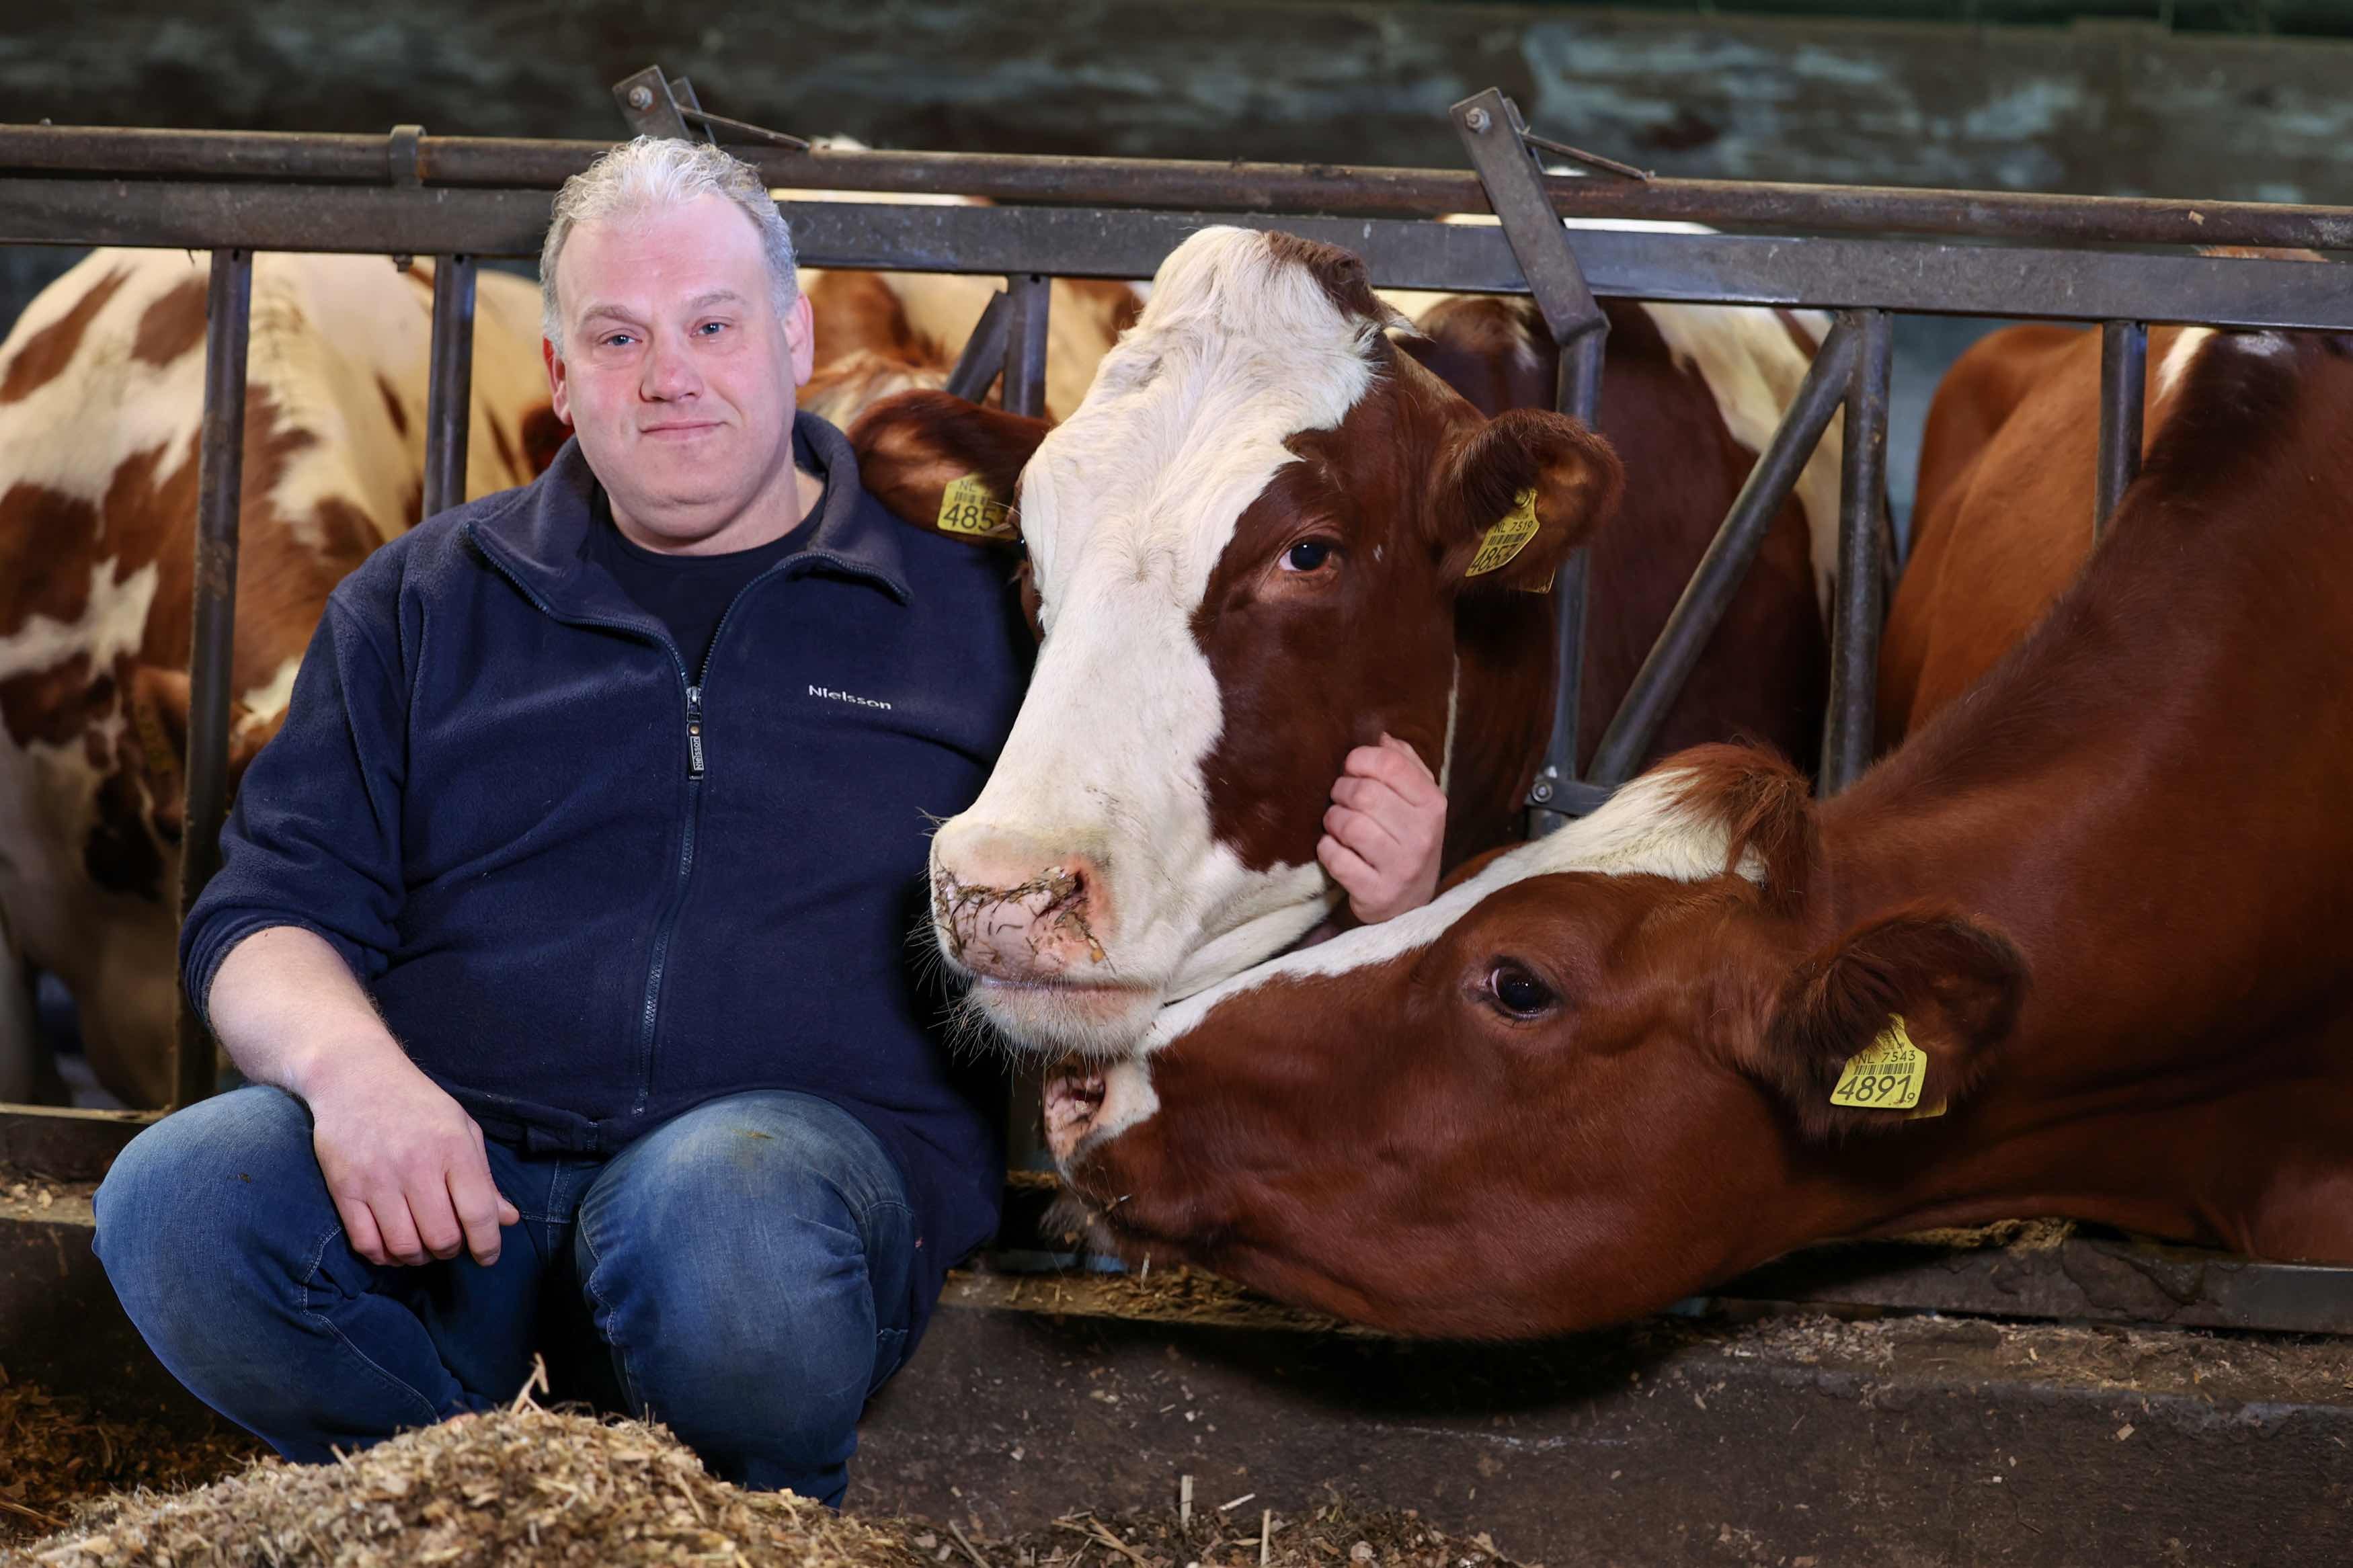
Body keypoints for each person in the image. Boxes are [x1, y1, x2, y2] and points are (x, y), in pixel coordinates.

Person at [90, 136, 1447, 1505]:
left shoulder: (973, 608)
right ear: (558, 377)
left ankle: (712, 1520)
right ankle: (462, 1504)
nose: (667, 374)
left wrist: (1390, 896)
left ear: (792, 338)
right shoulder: (422, 599)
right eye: (614, 336)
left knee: (722, 1213)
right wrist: (357, 1082)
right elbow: (264, 915)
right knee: (181, 1202)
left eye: (713, 325)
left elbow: (1153, 866)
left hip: (786, 1198)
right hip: (456, 1185)